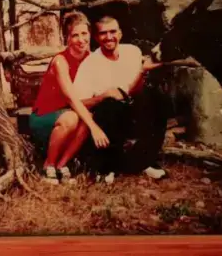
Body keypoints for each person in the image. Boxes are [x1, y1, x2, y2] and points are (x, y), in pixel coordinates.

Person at [72, 15, 169, 183]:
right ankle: (107, 167)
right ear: (96, 37)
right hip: (106, 117)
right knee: (110, 104)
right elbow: (78, 102)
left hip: (130, 108)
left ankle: (144, 161)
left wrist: (142, 72)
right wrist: (104, 96)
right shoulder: (89, 64)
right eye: (103, 33)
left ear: (120, 33)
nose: (109, 37)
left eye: (113, 32)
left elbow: (135, 91)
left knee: (158, 99)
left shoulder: (132, 51)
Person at [29, 11, 112, 184]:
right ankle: (48, 165)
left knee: (85, 116)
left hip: (70, 116)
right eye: (75, 35)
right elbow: (72, 99)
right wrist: (94, 128)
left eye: (84, 34)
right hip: (46, 118)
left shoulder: (91, 60)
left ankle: (62, 164)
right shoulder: (60, 61)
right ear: (67, 38)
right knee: (75, 117)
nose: (81, 40)